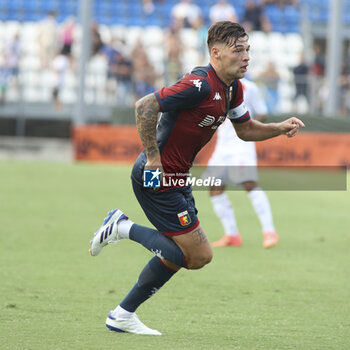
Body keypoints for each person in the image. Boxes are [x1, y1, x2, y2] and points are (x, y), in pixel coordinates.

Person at [89, 21, 304, 335]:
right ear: (216, 53)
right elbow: (145, 106)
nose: (246, 57)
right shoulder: (199, 84)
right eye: (238, 50)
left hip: (179, 178)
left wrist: (279, 128)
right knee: (198, 254)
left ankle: (122, 314)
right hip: (156, 178)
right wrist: (153, 159)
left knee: (181, 256)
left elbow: (245, 129)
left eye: (248, 50)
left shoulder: (233, 88)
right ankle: (121, 227)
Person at [206, 78, 278, 248]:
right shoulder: (212, 85)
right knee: (214, 188)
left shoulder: (249, 87)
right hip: (221, 145)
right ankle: (232, 235)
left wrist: (247, 125)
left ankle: (269, 232)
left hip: (241, 144)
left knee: (249, 184)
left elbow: (262, 112)